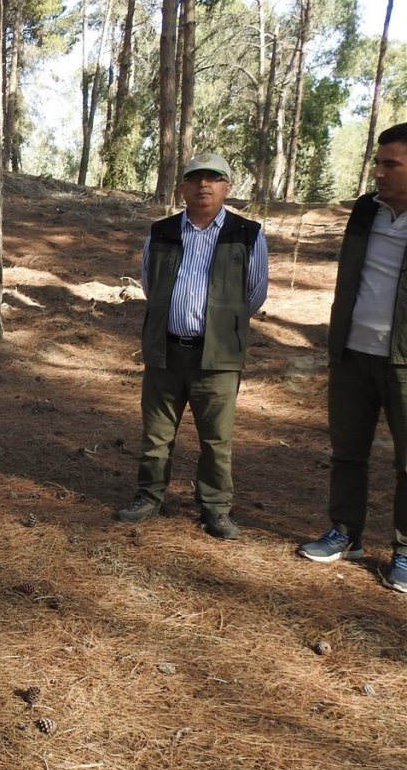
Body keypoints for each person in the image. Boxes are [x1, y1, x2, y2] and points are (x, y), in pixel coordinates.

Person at [114, 152, 269, 539]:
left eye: (213, 178)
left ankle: (216, 507)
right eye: (196, 178)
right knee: (156, 435)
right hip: (165, 351)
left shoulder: (247, 233)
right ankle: (148, 497)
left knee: (216, 439)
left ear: (227, 187)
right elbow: (150, 285)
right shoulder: (161, 231)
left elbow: (254, 294)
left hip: (217, 356)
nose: (204, 185)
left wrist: (222, 325)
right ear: (182, 187)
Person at [299, 123, 407, 591]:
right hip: (352, 352)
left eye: (391, 164)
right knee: (347, 453)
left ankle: (405, 551)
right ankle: (345, 532)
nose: (379, 172)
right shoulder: (366, 210)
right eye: (378, 163)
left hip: (403, 360)